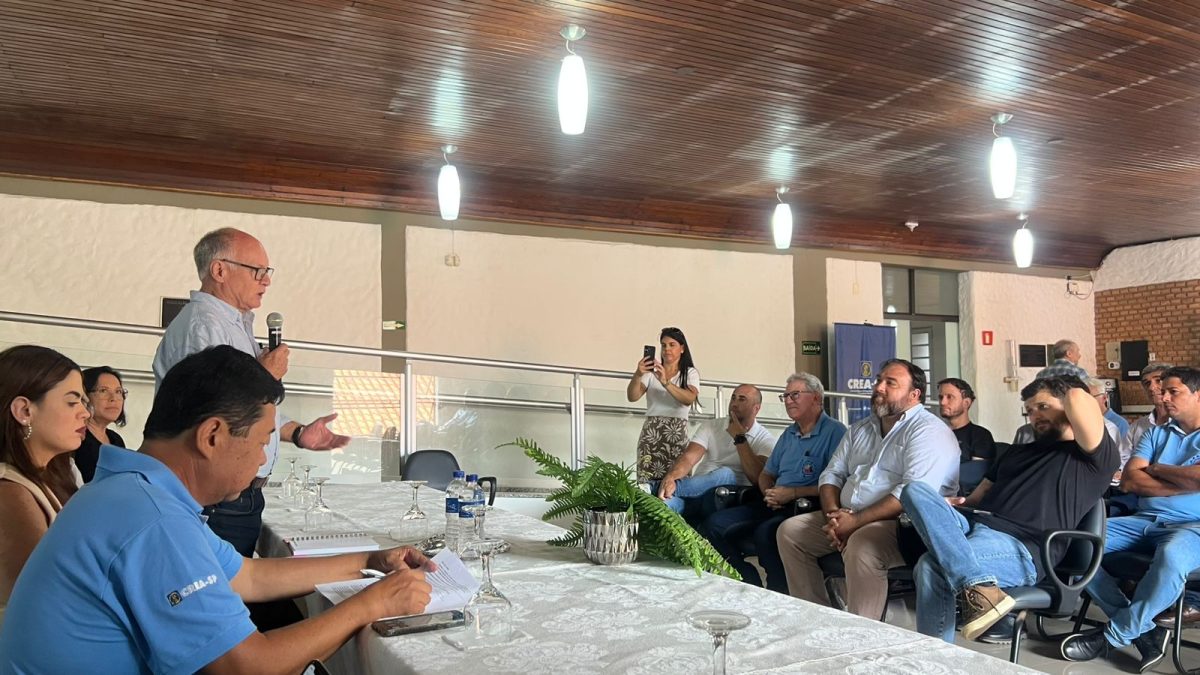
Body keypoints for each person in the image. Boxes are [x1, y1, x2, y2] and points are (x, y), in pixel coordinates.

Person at [0, 346, 435, 673]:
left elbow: (248, 575)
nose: (262, 458)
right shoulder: (152, 518)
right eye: (262, 441)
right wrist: (371, 605)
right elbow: (246, 667)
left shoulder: (135, 490)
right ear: (212, 436)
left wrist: (371, 561)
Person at [153, 228, 350, 560]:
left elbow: (250, 408)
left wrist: (298, 433)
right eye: (257, 271)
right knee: (223, 586)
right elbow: (213, 408)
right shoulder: (204, 326)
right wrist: (265, 375)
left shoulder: (232, 323)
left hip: (237, 495)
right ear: (219, 270)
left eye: (267, 272)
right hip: (214, 496)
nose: (266, 281)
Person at [899, 376, 1117, 647]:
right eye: (1030, 410)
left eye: (1043, 407)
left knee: (931, 566)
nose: (1035, 416)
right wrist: (946, 507)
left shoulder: (1092, 457)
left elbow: (1076, 396)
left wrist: (1061, 385)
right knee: (915, 490)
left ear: (1067, 408)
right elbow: (976, 499)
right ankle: (981, 589)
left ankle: (935, 656)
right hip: (974, 524)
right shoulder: (1016, 453)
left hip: (1020, 546)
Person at [776, 359, 959, 619]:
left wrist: (855, 522)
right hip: (847, 514)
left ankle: (862, 630)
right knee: (791, 532)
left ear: (914, 394)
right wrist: (833, 517)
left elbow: (911, 494)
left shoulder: (929, 431)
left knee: (862, 544)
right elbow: (831, 474)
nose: (879, 387)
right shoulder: (860, 429)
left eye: (890, 383)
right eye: (879, 381)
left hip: (905, 524)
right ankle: (816, 618)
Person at [1061, 367, 1200, 670]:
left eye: (1173, 392)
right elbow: (1129, 481)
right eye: (1163, 390)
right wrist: (1184, 480)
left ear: (1198, 395)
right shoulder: (1156, 432)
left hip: (1193, 526)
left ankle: (1115, 634)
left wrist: (1157, 469)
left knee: (1172, 556)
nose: (1163, 397)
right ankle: (1142, 629)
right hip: (1143, 519)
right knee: (1073, 543)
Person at [700, 374, 845, 592]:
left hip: (805, 505)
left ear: (816, 398)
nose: (788, 401)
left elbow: (837, 484)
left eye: (794, 395)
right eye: (785, 396)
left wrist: (792, 493)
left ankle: (780, 592)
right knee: (713, 525)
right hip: (773, 502)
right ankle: (749, 581)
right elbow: (767, 473)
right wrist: (770, 491)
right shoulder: (789, 433)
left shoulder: (835, 432)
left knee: (765, 533)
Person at [0, 345, 89, 621]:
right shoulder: (10, 492)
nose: (85, 413)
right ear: (24, 410)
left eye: (84, 402)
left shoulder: (46, 479)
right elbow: (39, 604)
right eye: (72, 402)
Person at [654, 384, 775, 517]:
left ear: (756, 408)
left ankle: (652, 487)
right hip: (694, 493)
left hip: (725, 498)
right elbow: (689, 458)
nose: (734, 403)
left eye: (742, 399)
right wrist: (671, 478)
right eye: (733, 398)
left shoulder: (764, 438)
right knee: (662, 504)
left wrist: (739, 438)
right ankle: (654, 490)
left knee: (725, 474)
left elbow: (758, 478)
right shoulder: (711, 425)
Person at [626, 327, 699, 483]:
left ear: (682, 348)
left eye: (672, 345)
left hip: (676, 432)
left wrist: (665, 382)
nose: (667, 349)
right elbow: (632, 396)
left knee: (677, 482)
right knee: (646, 483)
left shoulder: (689, 373)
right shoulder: (651, 373)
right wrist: (638, 374)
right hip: (652, 431)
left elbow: (689, 398)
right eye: (663, 345)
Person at [75, 366, 130, 483]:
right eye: (103, 391)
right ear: (84, 396)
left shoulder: (115, 439)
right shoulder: (77, 439)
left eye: (118, 392)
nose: (113, 398)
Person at [937, 378, 995, 462]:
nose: (943, 402)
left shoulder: (980, 436)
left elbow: (976, 469)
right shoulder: (934, 433)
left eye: (950, 397)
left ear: (966, 403)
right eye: (940, 397)